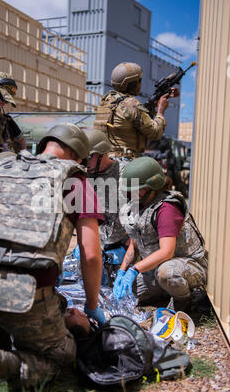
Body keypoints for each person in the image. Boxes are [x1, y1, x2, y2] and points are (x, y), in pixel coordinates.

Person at [0, 123, 105, 392]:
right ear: (76, 154)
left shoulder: (4, 166)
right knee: (63, 357)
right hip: (24, 292)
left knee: (51, 309)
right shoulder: (75, 181)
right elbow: (90, 254)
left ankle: (0, 343)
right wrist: (92, 304)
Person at [113, 157, 208, 312]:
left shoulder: (167, 209)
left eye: (136, 188)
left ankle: (185, 302)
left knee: (167, 273)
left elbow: (167, 252)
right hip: (157, 268)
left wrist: (134, 270)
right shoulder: (138, 205)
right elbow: (134, 246)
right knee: (129, 292)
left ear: (151, 187)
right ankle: (166, 292)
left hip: (188, 265)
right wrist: (122, 271)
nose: (130, 193)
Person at [94, 62, 175, 158]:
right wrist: (160, 110)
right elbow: (155, 133)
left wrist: (151, 108)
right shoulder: (132, 104)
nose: (140, 84)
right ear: (131, 84)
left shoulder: (105, 101)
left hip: (104, 159)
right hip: (124, 161)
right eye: (139, 81)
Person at [86, 128, 131, 284]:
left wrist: (129, 244)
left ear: (101, 153)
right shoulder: (85, 175)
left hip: (122, 247)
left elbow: (140, 212)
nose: (85, 162)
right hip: (96, 245)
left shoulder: (126, 173)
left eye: (89, 157)